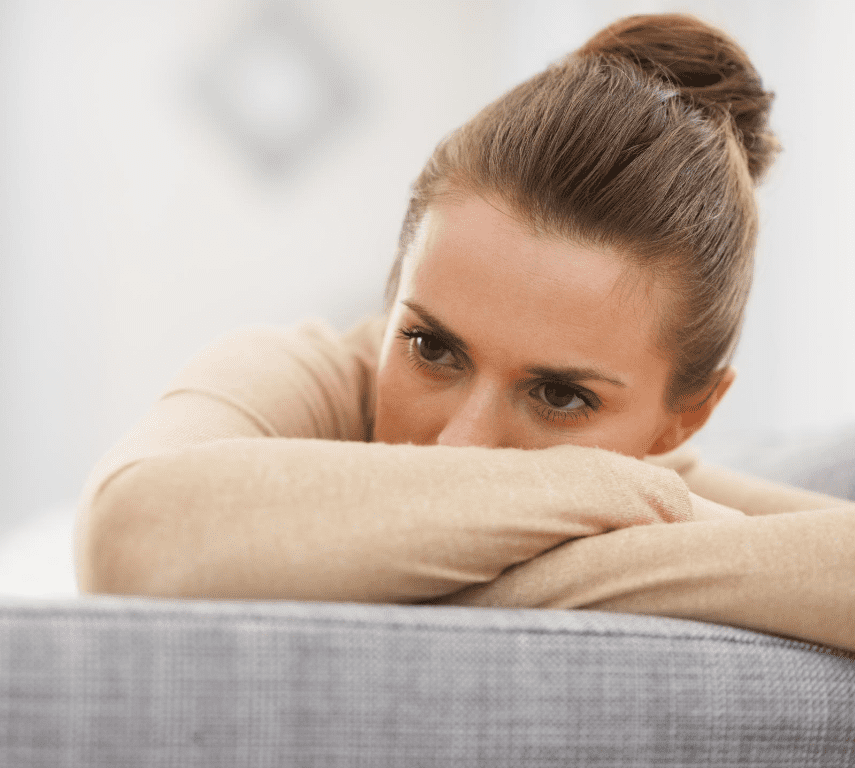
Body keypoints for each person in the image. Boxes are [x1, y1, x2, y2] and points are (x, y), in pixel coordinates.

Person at [74, 13, 855, 652]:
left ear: (685, 418)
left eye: (559, 396)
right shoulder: (305, 372)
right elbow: (129, 540)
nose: (458, 447)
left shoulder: (662, 476)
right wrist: (605, 493)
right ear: (394, 297)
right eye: (430, 347)